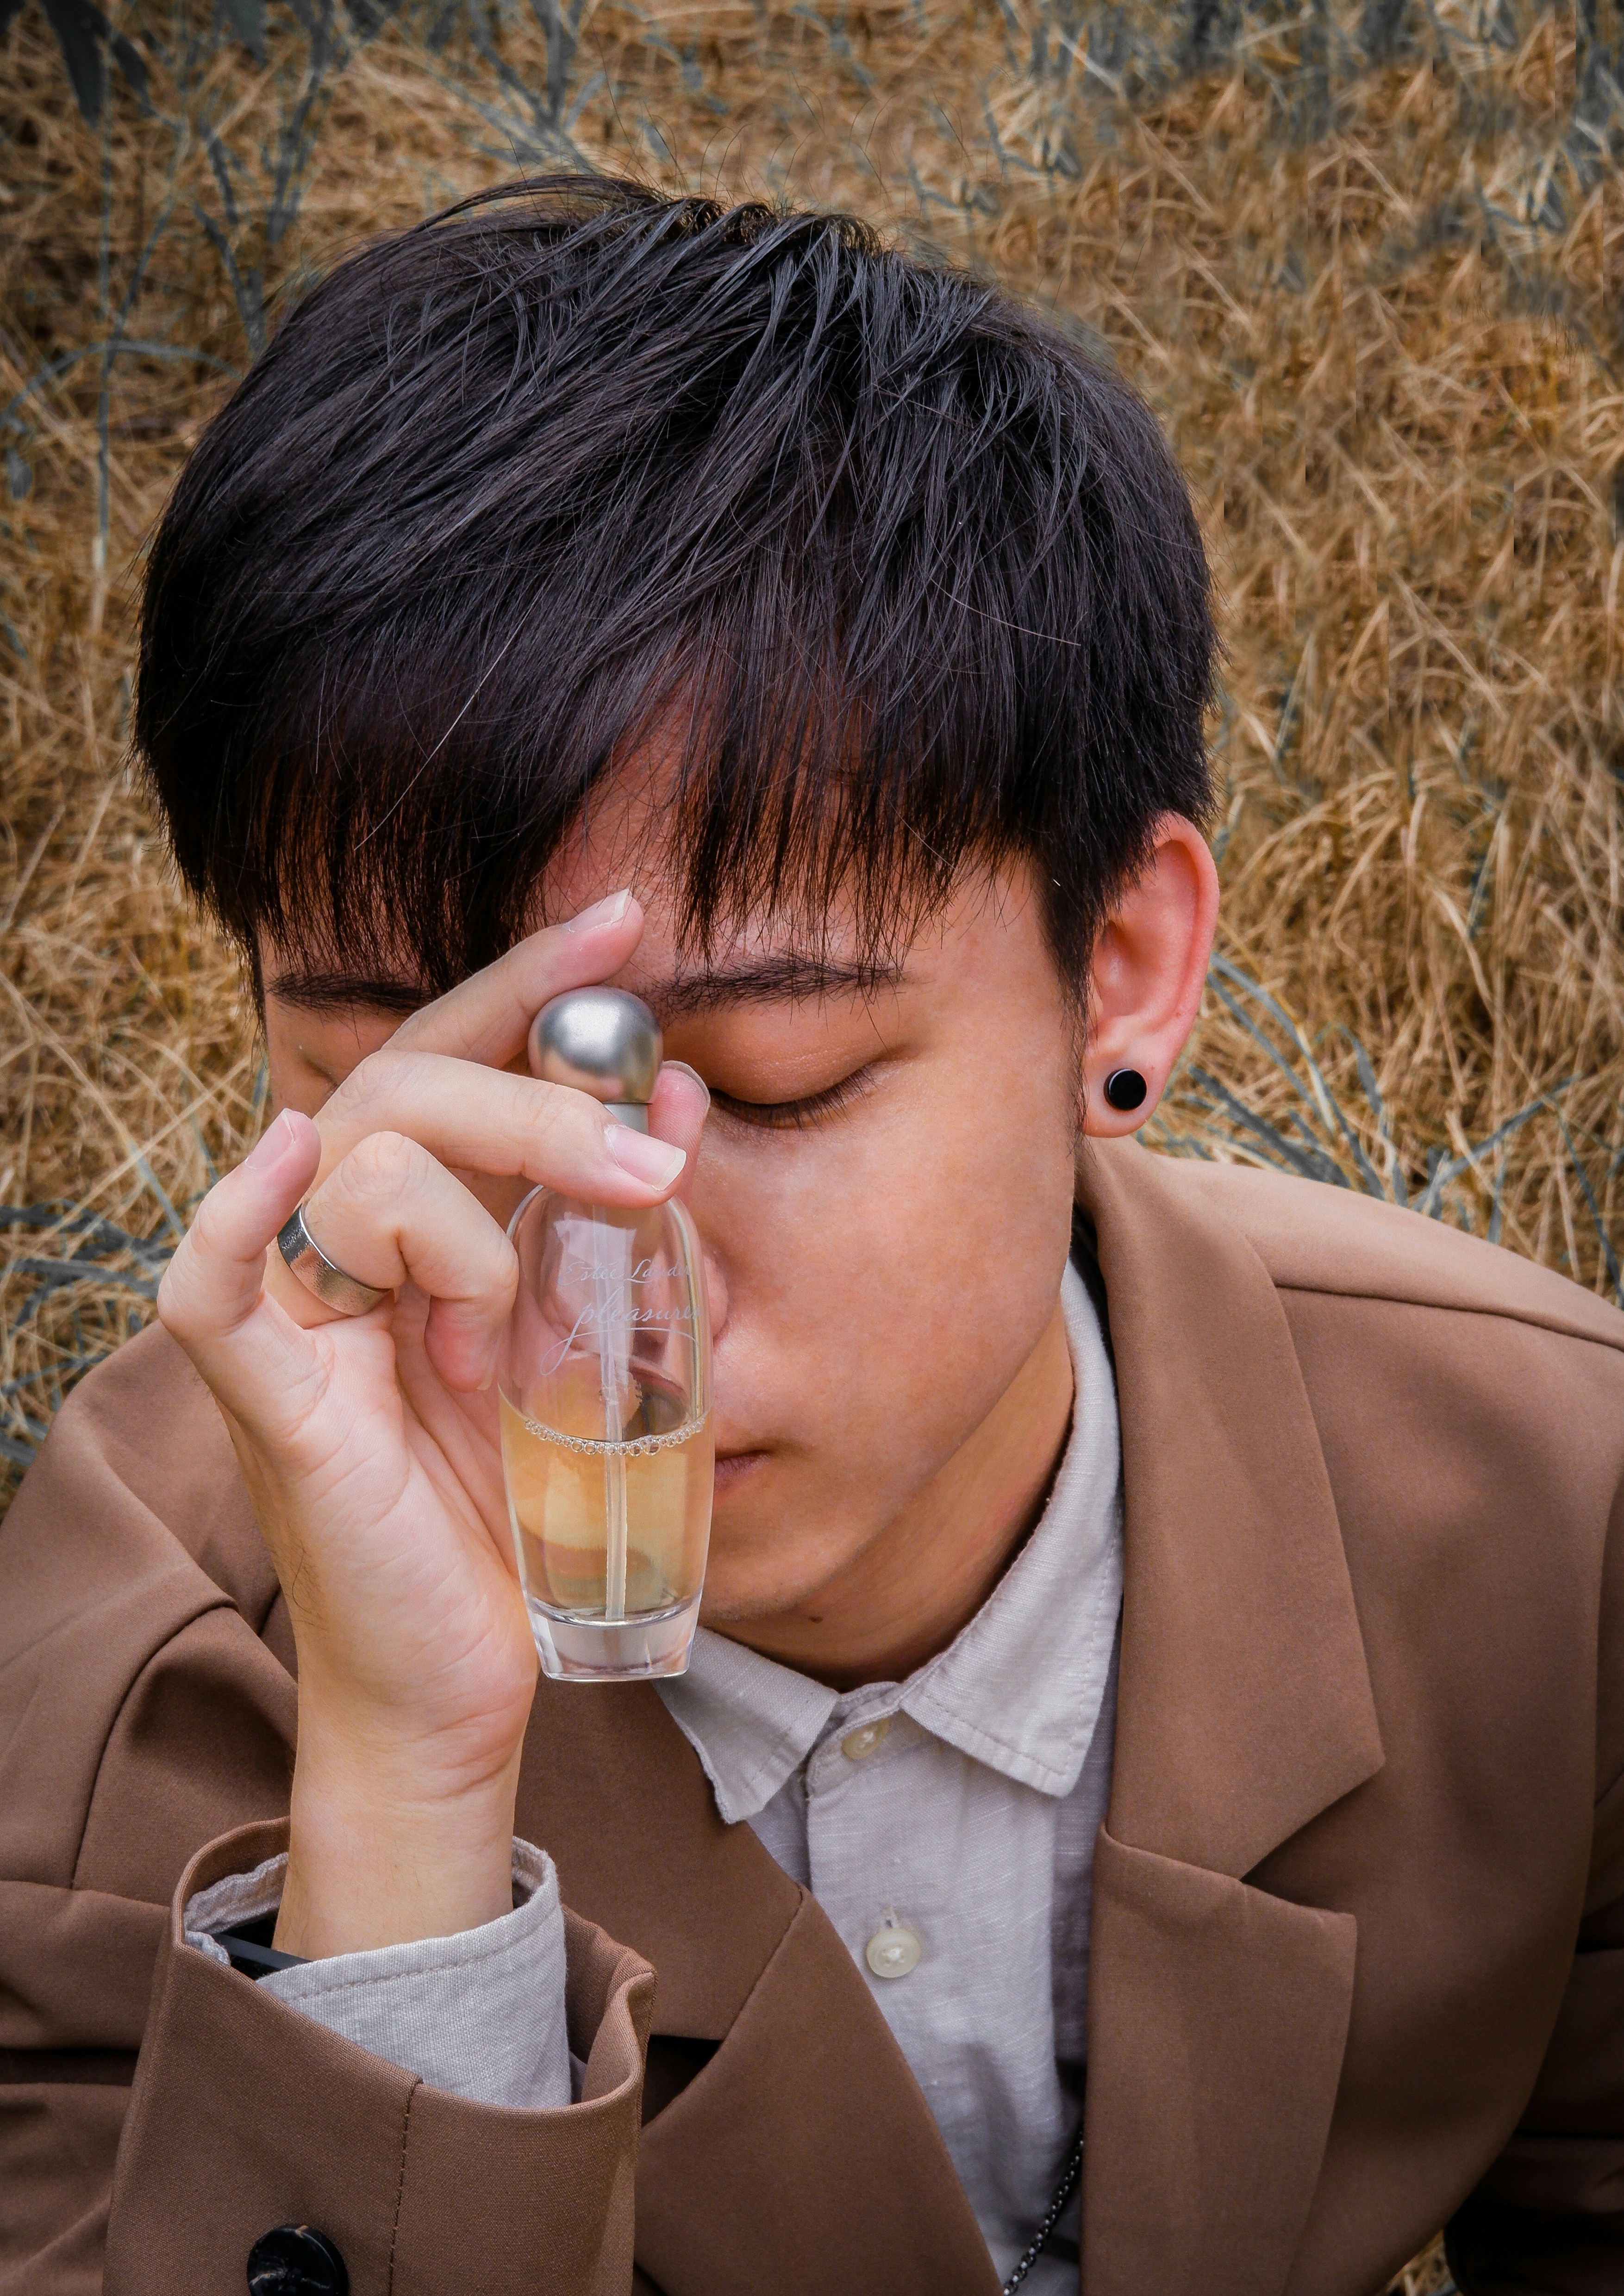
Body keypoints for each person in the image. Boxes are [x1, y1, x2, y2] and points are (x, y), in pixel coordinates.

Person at [2, 173, 1622, 2296]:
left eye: (772, 1084)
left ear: (1122, 969)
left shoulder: (1556, 1515)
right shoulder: (121, 1665)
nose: (600, 1308)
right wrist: (397, 1813)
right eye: (422, 1090)